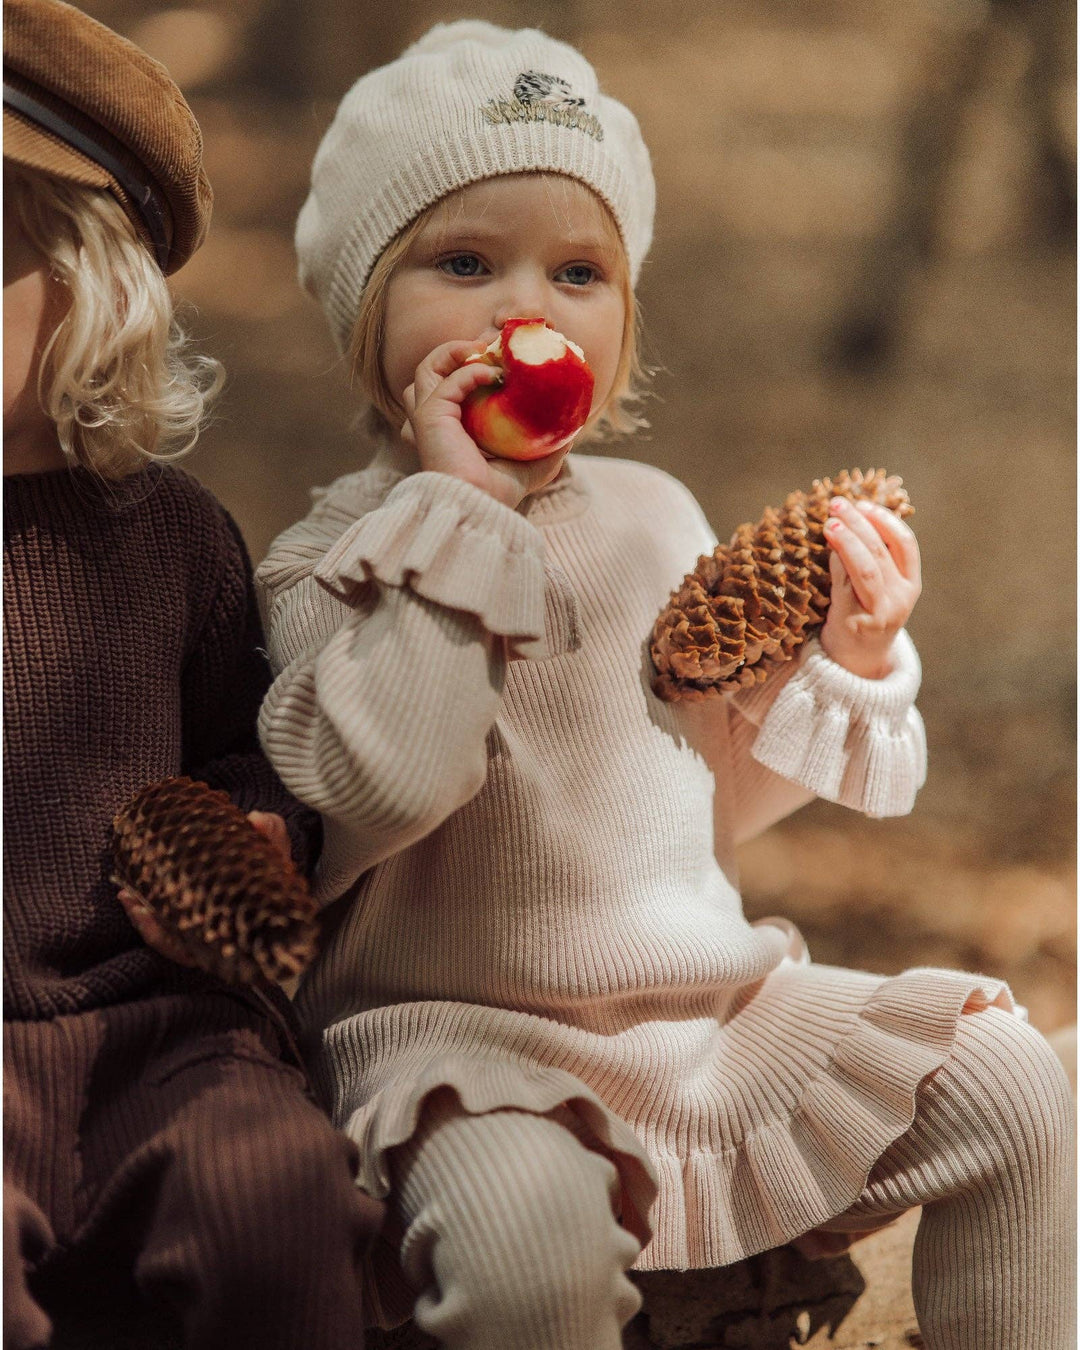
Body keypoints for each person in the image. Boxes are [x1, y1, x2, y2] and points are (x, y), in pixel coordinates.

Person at [255, 20, 1075, 1350]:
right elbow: (386, 786)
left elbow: (695, 810)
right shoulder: (330, 565)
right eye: (465, 263)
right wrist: (459, 522)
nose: (527, 309)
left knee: (1008, 1087)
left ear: (623, 317)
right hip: (469, 1053)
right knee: (528, 1256)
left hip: (709, 1017)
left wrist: (851, 661)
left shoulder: (650, 516)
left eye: (577, 271)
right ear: (369, 310)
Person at [2, 3, 381, 1346]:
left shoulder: (175, 540)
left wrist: (255, 833)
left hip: (161, 1026)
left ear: (93, 279)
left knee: (270, 1201)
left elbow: (241, 747)